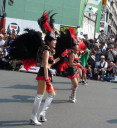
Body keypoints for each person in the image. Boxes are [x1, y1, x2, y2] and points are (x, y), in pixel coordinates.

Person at [9, 11, 66, 126]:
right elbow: (45, 66)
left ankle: (41, 114)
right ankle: (33, 117)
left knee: (51, 95)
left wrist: (61, 57)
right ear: (49, 41)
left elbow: (50, 63)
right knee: (39, 96)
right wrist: (47, 79)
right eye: (54, 40)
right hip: (43, 75)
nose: (56, 42)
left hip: (46, 74)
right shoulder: (46, 49)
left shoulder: (48, 49)